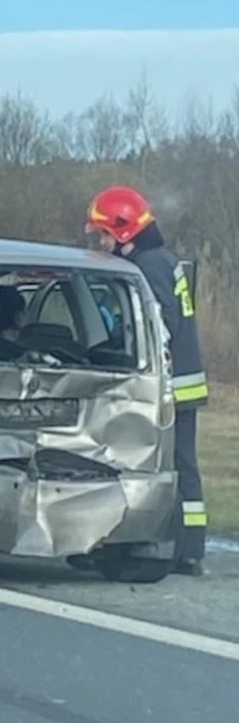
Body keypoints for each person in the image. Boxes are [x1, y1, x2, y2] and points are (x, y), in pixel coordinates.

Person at [86, 186, 207, 577]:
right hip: (180, 382)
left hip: (171, 385)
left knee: (172, 465)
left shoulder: (150, 264)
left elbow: (159, 326)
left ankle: (183, 549)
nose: (100, 243)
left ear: (123, 231)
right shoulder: (160, 259)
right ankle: (186, 548)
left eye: (103, 234)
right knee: (179, 464)